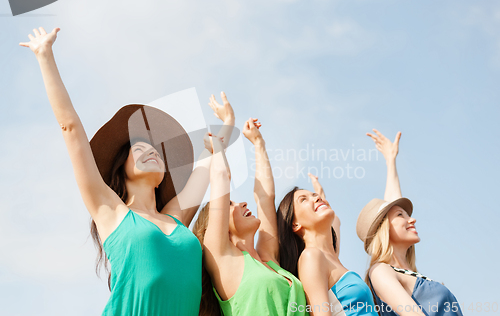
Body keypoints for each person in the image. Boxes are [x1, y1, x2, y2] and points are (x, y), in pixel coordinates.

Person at [20, 27, 235, 316]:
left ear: (162, 180)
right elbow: (70, 128)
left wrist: (227, 126)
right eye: (139, 148)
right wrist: (45, 56)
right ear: (121, 168)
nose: (151, 150)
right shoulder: (110, 211)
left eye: (156, 150)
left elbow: (210, 162)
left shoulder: (176, 217)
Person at [193, 119, 309, 316]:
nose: (242, 203)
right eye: (230, 204)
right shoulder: (222, 258)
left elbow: (265, 198)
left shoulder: (268, 258)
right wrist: (218, 148)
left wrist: (257, 142)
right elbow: (221, 177)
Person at [358, 129, 463, 316]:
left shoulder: (410, 274)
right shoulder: (381, 271)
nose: (412, 219)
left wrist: (390, 160)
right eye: (401, 216)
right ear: (384, 230)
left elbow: (392, 208)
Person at [277, 175, 378, 316]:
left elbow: (334, 221)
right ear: (295, 224)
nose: (317, 197)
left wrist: (319, 191)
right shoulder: (311, 257)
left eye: (315, 195)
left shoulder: (331, 258)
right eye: (304, 199)